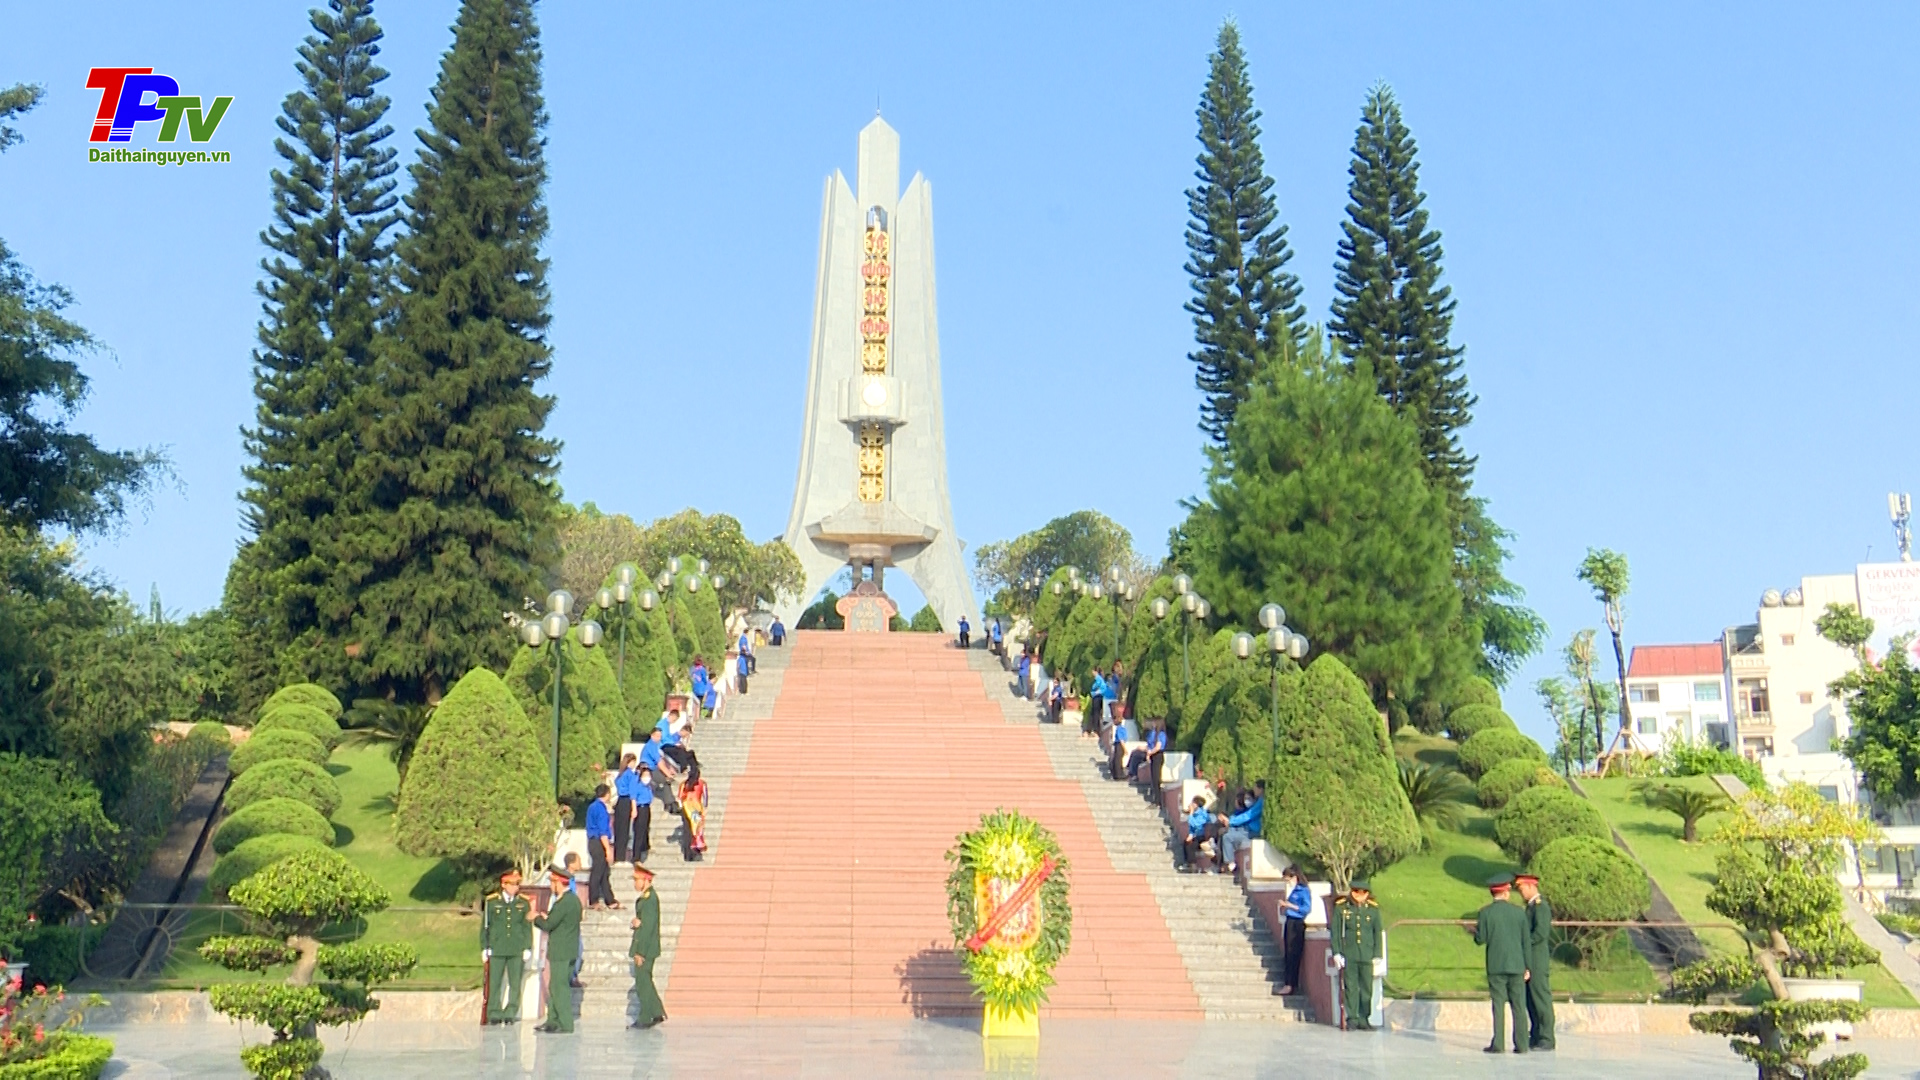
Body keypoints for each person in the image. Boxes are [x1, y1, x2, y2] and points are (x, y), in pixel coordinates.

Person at [1475, 874, 1530, 1054]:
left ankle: (1498, 1043)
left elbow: (1480, 939)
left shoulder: (1485, 913)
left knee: (1498, 1004)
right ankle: (1521, 1044)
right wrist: (1527, 966)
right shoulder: (1519, 913)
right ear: (1506, 892)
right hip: (1516, 965)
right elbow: (1525, 942)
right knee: (1519, 1005)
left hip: (1496, 965)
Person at [533, 864, 582, 1033]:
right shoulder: (573, 900)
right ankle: (552, 1020)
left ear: (558, 883)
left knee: (559, 987)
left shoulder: (563, 902)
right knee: (556, 984)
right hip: (569, 949)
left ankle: (565, 1023)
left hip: (561, 950)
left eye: (552, 882)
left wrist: (536, 918)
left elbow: (549, 924)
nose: (551, 886)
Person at [481, 869, 533, 1025]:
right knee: (494, 982)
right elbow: (485, 927)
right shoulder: (492, 902)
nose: (515, 887)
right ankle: (494, 1012)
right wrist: (485, 947)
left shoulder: (523, 903)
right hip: (497, 947)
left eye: (517, 884)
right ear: (503, 884)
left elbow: (526, 926)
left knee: (515, 983)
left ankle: (511, 1011)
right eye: (512, 884)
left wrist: (527, 947)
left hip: (516, 948)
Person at [1331, 880, 1383, 1030]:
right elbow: (1336, 932)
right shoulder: (1342, 908)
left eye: (1363, 892)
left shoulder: (1372, 910)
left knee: (1367, 988)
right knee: (1351, 987)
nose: (1360, 895)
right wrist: (1337, 953)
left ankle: (1364, 1018)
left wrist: (1377, 954)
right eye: (1356, 892)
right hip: (1350, 953)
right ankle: (1352, 1018)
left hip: (1367, 954)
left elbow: (1377, 932)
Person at [1516, 871, 1556, 1051]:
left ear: (1532, 886)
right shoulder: (1531, 907)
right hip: (1529, 959)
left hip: (1537, 960)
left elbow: (1540, 933)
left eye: (1522, 888)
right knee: (1530, 999)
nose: (1521, 892)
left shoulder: (1541, 907)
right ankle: (1536, 1034)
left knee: (1541, 998)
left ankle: (1547, 1037)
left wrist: (1524, 942)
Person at [627, 862, 666, 1029]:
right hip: (647, 946)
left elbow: (648, 927)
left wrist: (640, 952)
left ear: (646, 880)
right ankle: (657, 1012)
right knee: (646, 980)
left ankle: (645, 1017)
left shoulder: (649, 899)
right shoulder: (646, 897)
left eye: (637, 880)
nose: (635, 883)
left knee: (642, 982)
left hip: (646, 947)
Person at [1277, 866, 1312, 996]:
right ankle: (1288, 982)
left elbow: (1306, 908)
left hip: (1297, 923)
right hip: (1290, 921)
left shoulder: (1303, 891)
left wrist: (1289, 905)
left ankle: (1291, 984)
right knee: (1288, 953)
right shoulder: (1294, 891)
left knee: (1293, 953)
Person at [1221, 780, 1266, 877]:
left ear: (1260, 789)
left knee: (1227, 837)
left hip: (1252, 832)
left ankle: (1231, 865)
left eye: (1255, 788)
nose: (1254, 790)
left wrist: (1231, 822)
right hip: (1246, 830)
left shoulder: (1261, 801)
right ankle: (1229, 863)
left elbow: (1249, 816)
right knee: (1228, 833)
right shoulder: (1259, 801)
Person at [585, 784, 617, 910]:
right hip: (599, 842)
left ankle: (610, 899)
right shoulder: (601, 809)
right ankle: (593, 900)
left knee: (604, 872)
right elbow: (603, 832)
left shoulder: (591, 807)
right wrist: (608, 850)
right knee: (598, 871)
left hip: (592, 841)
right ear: (607, 794)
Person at [1180, 795, 1222, 871]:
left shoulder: (1203, 814)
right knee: (1187, 843)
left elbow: (1197, 825)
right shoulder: (1194, 815)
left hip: (1205, 836)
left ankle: (1195, 865)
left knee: (1193, 845)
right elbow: (1192, 828)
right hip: (1198, 836)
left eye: (1193, 803)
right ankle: (1191, 864)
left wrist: (1191, 813)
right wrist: (1191, 834)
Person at [612, 755, 640, 865]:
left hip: (620, 801)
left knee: (618, 829)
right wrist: (634, 808)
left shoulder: (620, 775)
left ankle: (617, 855)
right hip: (627, 801)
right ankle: (621, 857)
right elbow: (632, 792)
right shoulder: (631, 775)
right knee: (624, 829)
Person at [679, 760, 708, 861]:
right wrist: (705, 809)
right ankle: (696, 853)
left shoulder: (684, 784)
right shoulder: (702, 783)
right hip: (697, 809)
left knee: (687, 832)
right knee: (697, 831)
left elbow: (680, 797)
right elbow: (705, 798)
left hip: (686, 809)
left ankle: (688, 855)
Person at [631, 766, 654, 863]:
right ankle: (636, 856)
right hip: (640, 808)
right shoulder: (638, 786)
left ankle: (644, 848)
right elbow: (633, 798)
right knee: (639, 832)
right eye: (645, 775)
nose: (647, 777)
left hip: (647, 808)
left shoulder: (648, 787)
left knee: (645, 829)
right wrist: (634, 810)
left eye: (648, 775)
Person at [1143, 721, 1168, 800]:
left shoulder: (1161, 734)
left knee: (1156, 777)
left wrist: (1150, 752)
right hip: (1154, 755)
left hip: (1158, 755)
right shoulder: (1153, 734)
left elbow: (1158, 747)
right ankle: (1155, 797)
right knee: (1154, 777)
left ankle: (1158, 799)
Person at [1083, 668, 1106, 737]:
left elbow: (1101, 688)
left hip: (1097, 698)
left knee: (1095, 714)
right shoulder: (1097, 679)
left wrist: (1095, 692)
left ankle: (1095, 730)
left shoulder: (1099, 679)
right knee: (1093, 714)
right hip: (1095, 697)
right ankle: (1092, 729)